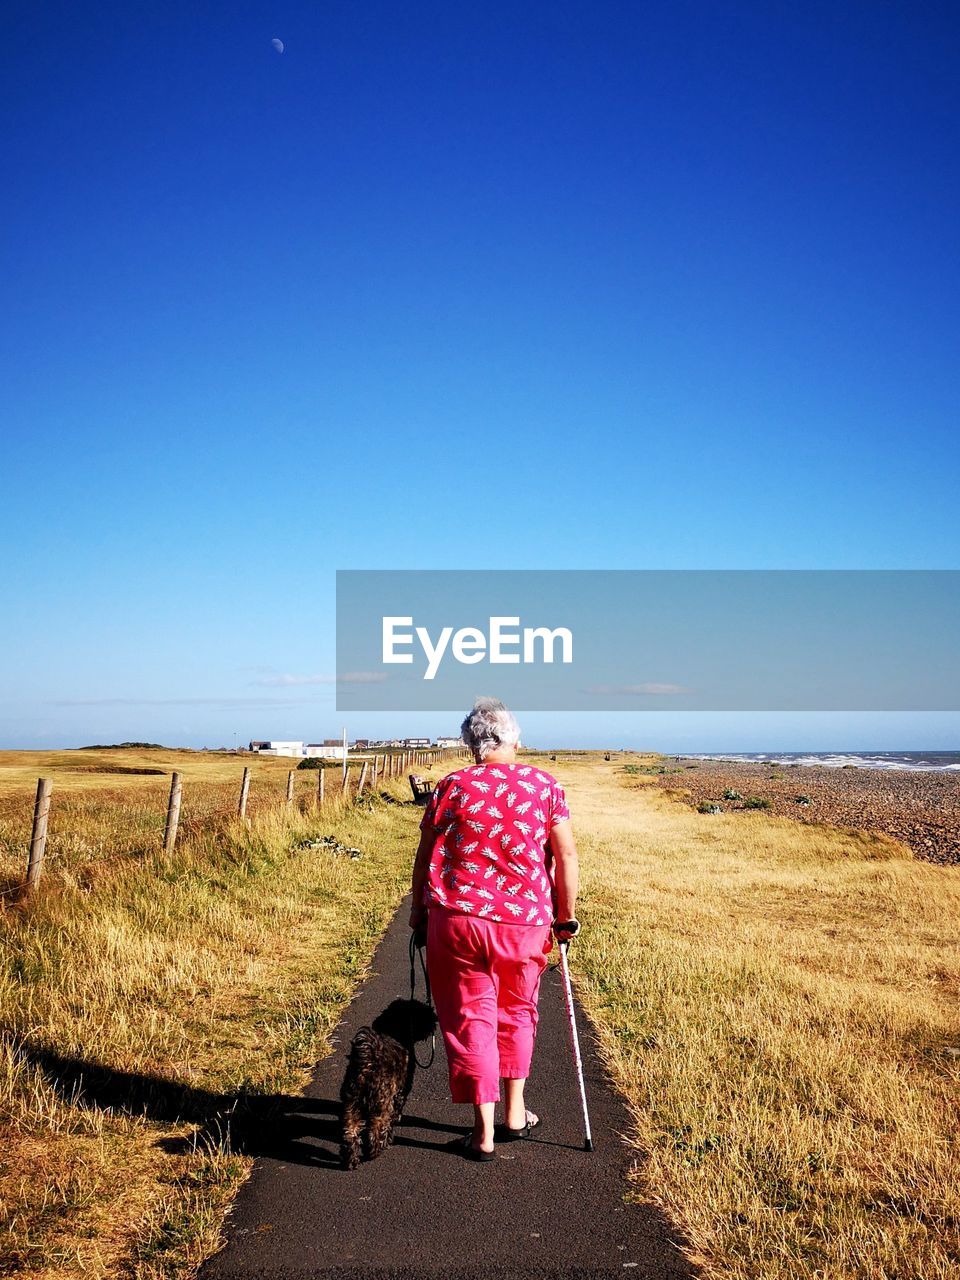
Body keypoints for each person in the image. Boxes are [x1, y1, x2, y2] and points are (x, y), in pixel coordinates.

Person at [409, 697, 580, 1160]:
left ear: (472, 745)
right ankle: (514, 1114)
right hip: (523, 924)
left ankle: (483, 1133)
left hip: (458, 919)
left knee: (470, 1019)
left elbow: (426, 854)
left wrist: (418, 911)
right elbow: (565, 857)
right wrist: (564, 917)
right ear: (514, 740)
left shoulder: (453, 785)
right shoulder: (545, 785)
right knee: (517, 1012)